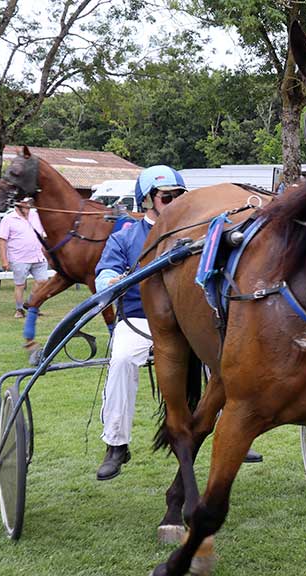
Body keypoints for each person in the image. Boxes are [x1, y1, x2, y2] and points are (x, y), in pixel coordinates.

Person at [94, 165, 188, 480]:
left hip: (185, 322)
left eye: (178, 196)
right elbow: (105, 271)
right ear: (147, 200)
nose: (174, 202)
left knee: (222, 359)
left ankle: (229, 435)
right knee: (121, 360)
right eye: (166, 197)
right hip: (138, 320)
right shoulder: (125, 237)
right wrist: (110, 280)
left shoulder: (194, 232)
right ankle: (116, 444)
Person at [0, 197, 49, 326]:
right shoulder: (9, 219)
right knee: (20, 284)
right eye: (24, 204)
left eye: (28, 204)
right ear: (17, 205)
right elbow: (2, 240)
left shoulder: (36, 215)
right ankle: (19, 309)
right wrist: (4, 260)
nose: (27, 206)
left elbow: (42, 234)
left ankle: (31, 303)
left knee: (43, 281)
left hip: (38, 256)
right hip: (19, 257)